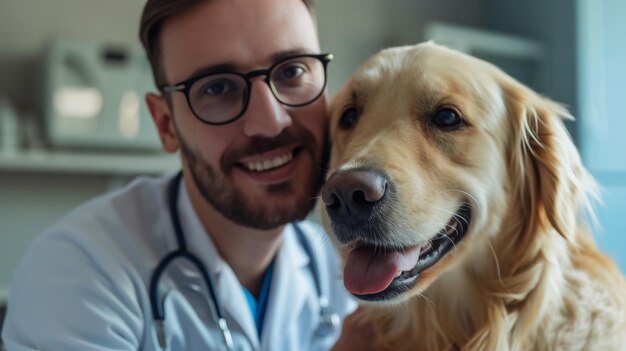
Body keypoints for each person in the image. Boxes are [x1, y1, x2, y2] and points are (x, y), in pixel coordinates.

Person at [1, 0, 358, 349]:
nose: (269, 121)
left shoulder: (338, 263)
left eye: (292, 71)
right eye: (218, 88)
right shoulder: (76, 271)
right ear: (165, 124)